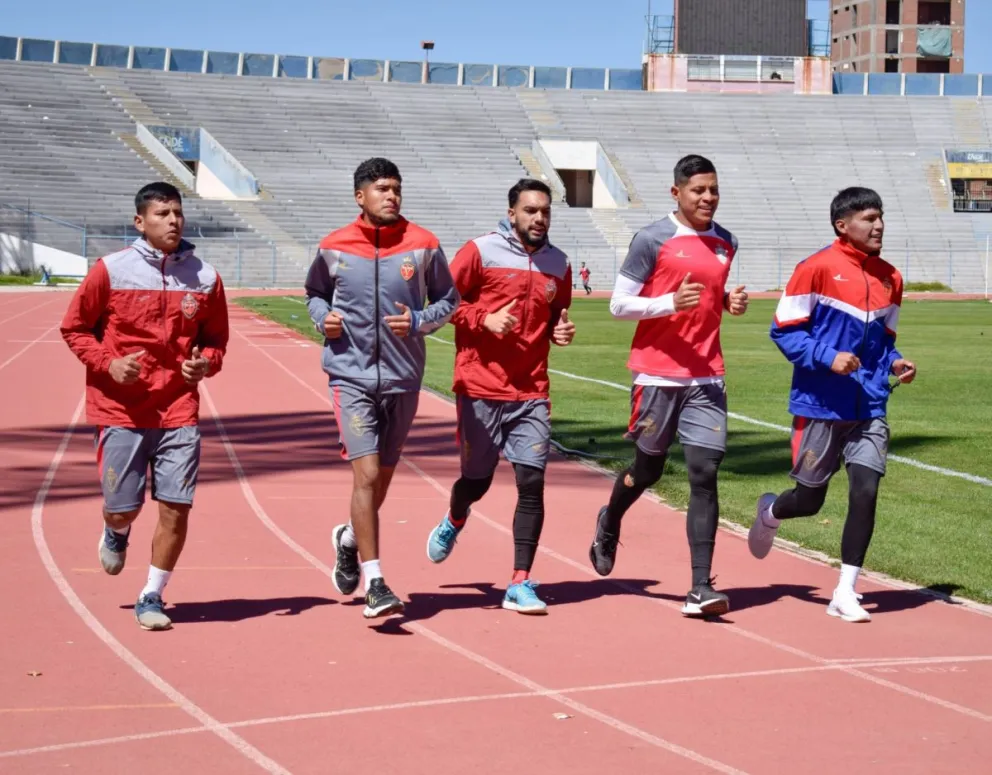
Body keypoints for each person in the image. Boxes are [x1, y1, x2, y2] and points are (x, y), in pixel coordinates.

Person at [60, 182, 229, 631]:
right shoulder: (110, 270)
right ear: (140, 222)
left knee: (177, 506)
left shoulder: (205, 277)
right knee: (123, 507)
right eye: (162, 213)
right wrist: (108, 364)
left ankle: (152, 593)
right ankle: (117, 529)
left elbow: (216, 342)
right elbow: (74, 328)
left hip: (178, 409)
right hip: (120, 411)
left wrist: (205, 365)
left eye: (177, 212)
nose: (173, 220)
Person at [587, 154, 748, 618]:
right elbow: (619, 305)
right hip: (657, 374)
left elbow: (711, 299)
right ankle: (611, 516)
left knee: (704, 473)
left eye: (713, 190)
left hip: (707, 374)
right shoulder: (652, 238)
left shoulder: (726, 241)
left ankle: (700, 586)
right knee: (649, 470)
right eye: (698, 190)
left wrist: (729, 302)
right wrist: (668, 303)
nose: (708, 198)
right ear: (676, 192)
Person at [748, 187, 916, 623]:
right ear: (843, 225)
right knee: (809, 501)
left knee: (866, 490)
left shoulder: (891, 278)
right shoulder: (815, 268)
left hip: (870, 406)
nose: (878, 225)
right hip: (819, 405)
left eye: (881, 217)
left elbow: (883, 343)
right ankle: (770, 512)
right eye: (869, 218)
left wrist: (896, 362)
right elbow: (783, 331)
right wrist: (829, 357)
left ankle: (845, 590)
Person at [305, 158, 459, 620]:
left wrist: (418, 322)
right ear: (360, 197)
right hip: (349, 376)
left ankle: (349, 541)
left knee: (383, 480)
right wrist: (322, 319)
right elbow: (314, 293)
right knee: (367, 475)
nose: (391, 196)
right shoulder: (334, 246)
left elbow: (448, 301)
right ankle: (376, 583)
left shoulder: (424, 245)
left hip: (403, 378)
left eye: (396, 189)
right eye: (382, 189)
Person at [425, 179, 575, 614]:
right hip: (480, 386)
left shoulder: (559, 264)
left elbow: (555, 317)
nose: (539, 218)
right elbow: (441, 304)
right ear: (512, 213)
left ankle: (520, 581)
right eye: (530, 210)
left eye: (545, 211)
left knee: (532, 483)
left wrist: (559, 332)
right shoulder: (479, 251)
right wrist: (483, 319)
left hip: (531, 390)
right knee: (478, 480)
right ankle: (455, 517)